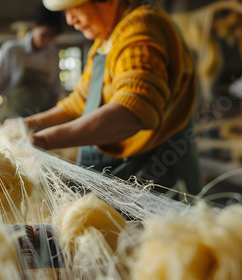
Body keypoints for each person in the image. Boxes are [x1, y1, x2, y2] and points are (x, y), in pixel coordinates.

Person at [24, 0, 203, 194]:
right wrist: (28, 124)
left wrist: (45, 141)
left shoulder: (141, 28)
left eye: (75, 7)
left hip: (157, 180)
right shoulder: (103, 43)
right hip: (124, 177)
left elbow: (132, 112)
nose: (70, 19)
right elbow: (77, 103)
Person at [0, 5, 63, 120]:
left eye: (52, 36)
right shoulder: (13, 50)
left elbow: (55, 90)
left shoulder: (53, 54)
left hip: (41, 118)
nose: (47, 41)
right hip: (13, 117)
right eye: (44, 35)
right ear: (33, 25)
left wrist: (51, 117)